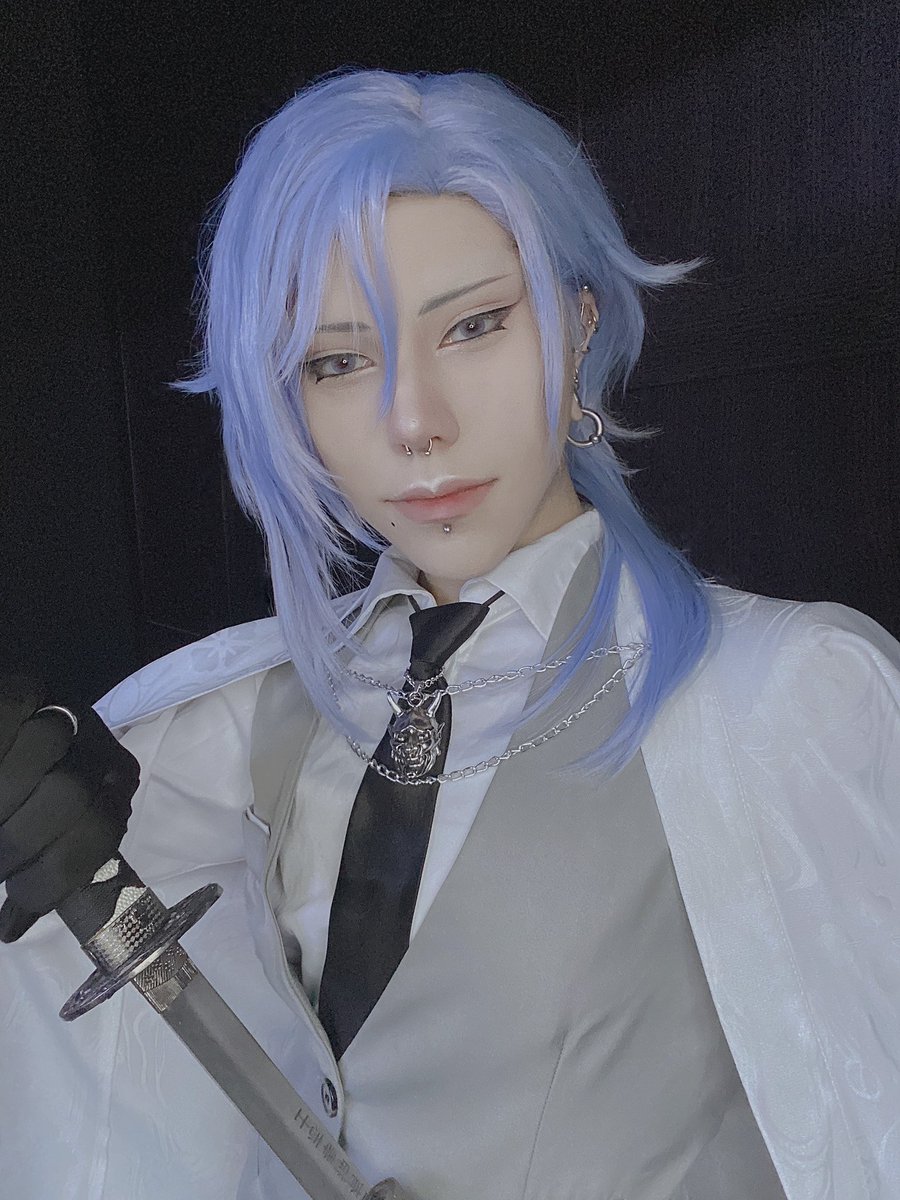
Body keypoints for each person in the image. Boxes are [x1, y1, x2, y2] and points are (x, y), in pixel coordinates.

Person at [1, 66, 898, 1200]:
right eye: (338, 361)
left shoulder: (790, 697)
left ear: (578, 324)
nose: (414, 422)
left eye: (474, 326)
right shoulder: (244, 721)